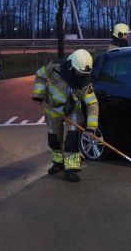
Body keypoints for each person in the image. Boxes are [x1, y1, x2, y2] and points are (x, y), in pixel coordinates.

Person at [32, 49, 99, 182]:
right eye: (79, 73)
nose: (80, 76)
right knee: (54, 138)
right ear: (70, 65)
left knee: (72, 140)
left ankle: (71, 169)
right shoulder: (55, 66)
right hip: (52, 108)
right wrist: (38, 95)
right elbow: (40, 76)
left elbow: (92, 104)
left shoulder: (85, 82)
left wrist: (91, 127)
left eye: (83, 74)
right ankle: (58, 163)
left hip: (73, 111)